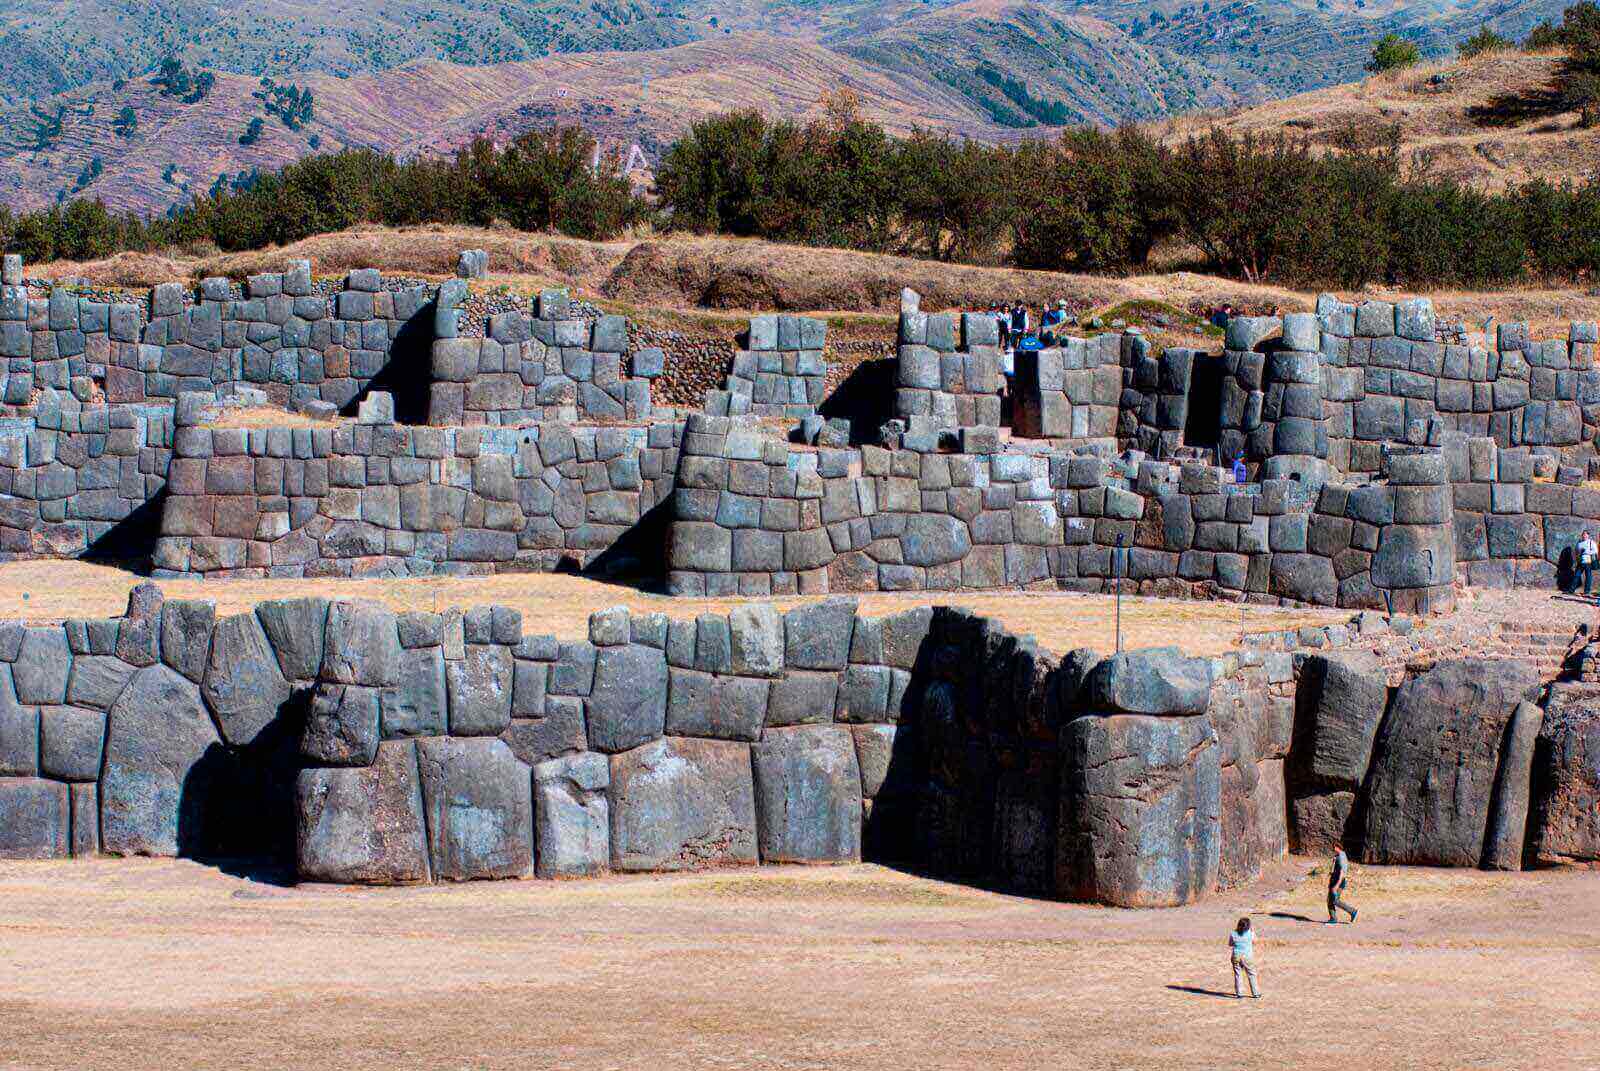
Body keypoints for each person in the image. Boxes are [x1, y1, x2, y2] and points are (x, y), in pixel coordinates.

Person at [1229, 917, 1260, 999]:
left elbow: (1230, 944)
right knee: (1251, 974)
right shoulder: (1250, 933)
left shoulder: (1233, 933)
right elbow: (1256, 941)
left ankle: (1239, 993)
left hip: (1236, 955)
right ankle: (1255, 993)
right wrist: (1253, 932)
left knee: (1238, 974)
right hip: (1247, 956)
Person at [1327, 845, 1358, 924]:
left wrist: (1337, 885)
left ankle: (1352, 911)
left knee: (1335, 900)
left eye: (1334, 847)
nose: (1333, 849)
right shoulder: (1338, 856)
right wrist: (1333, 862)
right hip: (1334, 881)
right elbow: (1332, 871)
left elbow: (1342, 872)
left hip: (1339, 882)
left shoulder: (1342, 857)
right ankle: (1333, 918)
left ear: (1338, 847)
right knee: (1330, 900)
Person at [1578, 530, 1597, 596]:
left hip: (1588, 561)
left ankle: (1587, 591)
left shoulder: (1591, 542)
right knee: (1576, 575)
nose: (1584, 535)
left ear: (1588, 535)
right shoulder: (1579, 543)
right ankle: (1571, 590)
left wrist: (1586, 552)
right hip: (1580, 561)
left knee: (1588, 577)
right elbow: (1577, 551)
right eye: (1583, 534)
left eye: (1585, 534)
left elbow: (1595, 551)